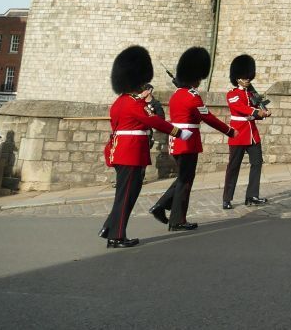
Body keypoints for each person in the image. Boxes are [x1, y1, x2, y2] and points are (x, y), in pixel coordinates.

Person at [101, 45, 188, 248]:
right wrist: (177, 132)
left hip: (123, 151)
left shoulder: (120, 102)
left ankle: (110, 228)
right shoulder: (133, 104)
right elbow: (155, 122)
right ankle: (117, 236)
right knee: (127, 195)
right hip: (131, 153)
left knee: (124, 194)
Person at [150, 47, 234, 229]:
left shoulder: (175, 96)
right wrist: (229, 130)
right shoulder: (192, 97)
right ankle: (177, 220)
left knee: (183, 177)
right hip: (188, 142)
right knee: (185, 180)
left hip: (176, 141)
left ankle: (161, 206)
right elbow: (208, 117)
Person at [223, 54, 270, 209]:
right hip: (238, 134)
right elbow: (241, 109)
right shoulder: (232, 94)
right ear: (237, 78)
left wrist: (264, 112)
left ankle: (252, 196)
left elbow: (254, 111)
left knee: (257, 163)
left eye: (249, 76)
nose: (248, 79)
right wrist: (256, 112)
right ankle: (227, 199)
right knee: (233, 167)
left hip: (252, 134)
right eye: (245, 77)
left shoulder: (251, 94)